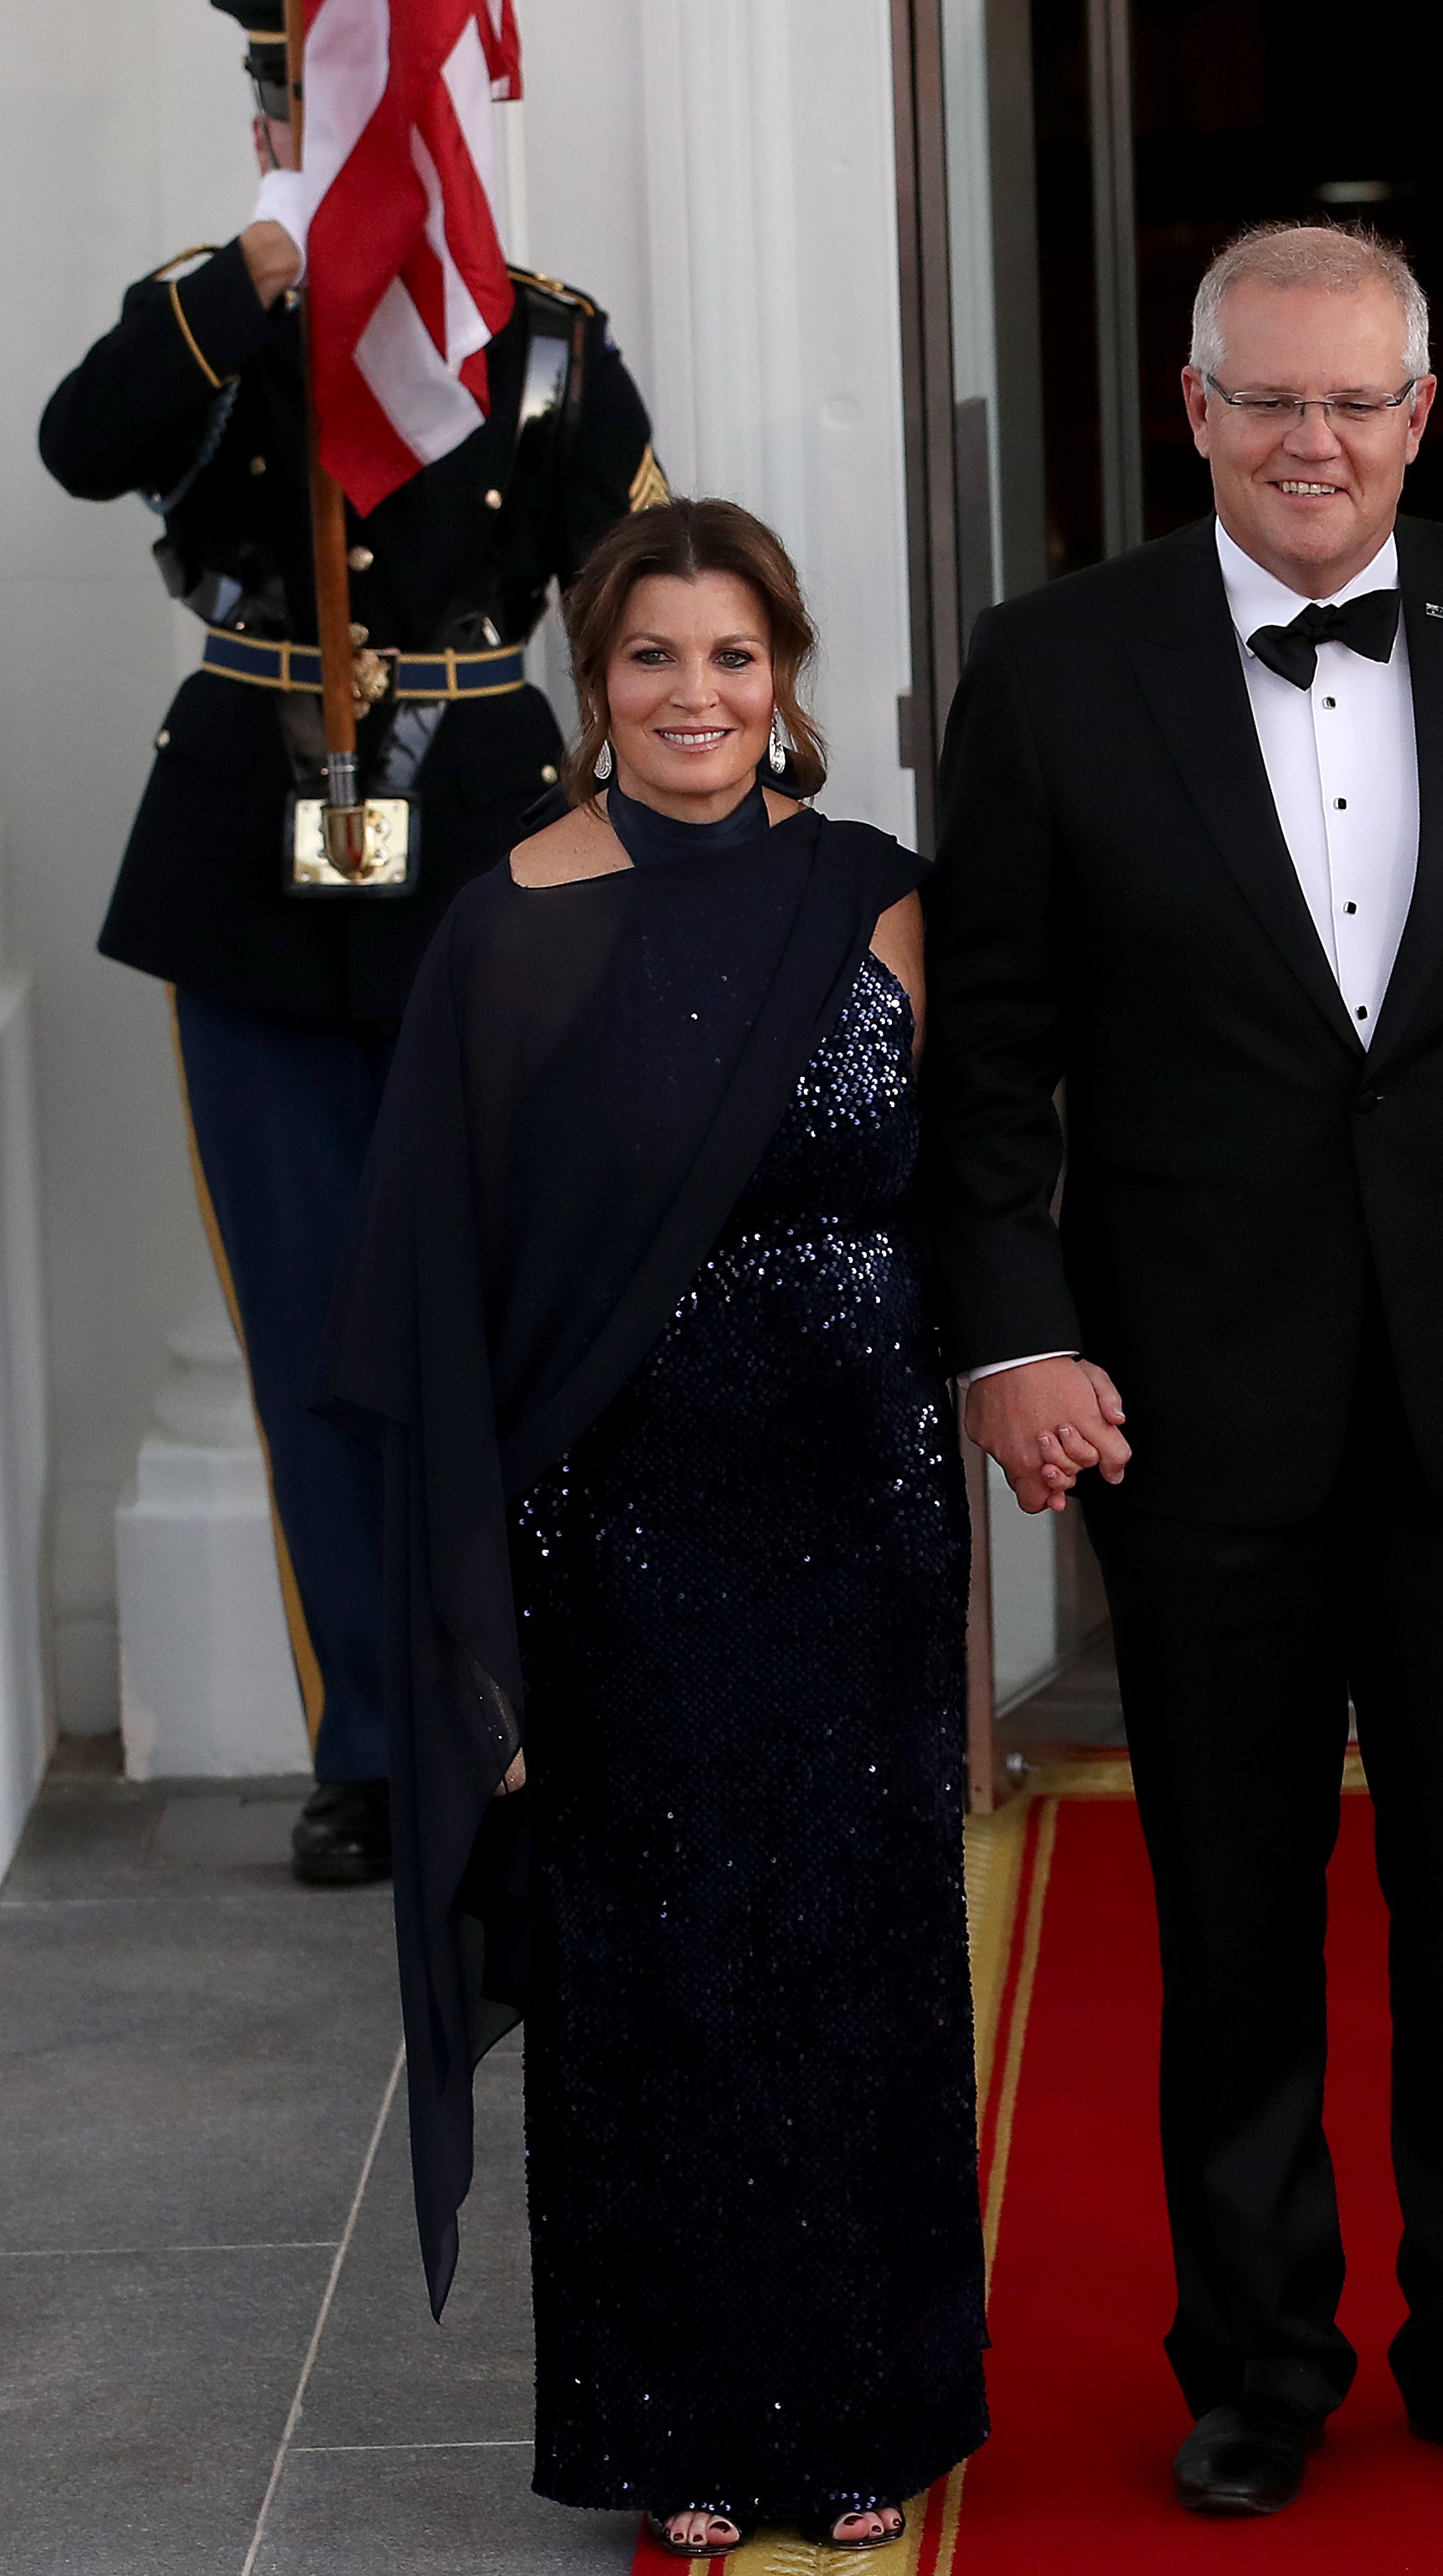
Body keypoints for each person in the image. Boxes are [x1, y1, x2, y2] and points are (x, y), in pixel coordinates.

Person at [920, 221, 1443, 2520]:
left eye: (1354, 402)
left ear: (1420, 415)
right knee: (1229, 1908)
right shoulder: (1054, 666)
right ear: (1194, 407)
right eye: (1267, 400)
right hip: (1182, 1391)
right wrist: (1014, 1330)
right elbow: (992, 1054)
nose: (1312, 442)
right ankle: (1254, 2359)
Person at [322, 501, 985, 2560]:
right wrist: (464, 1633)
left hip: (863, 1512)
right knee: (665, 1973)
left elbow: (962, 1192)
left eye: (731, 658)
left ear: (782, 675)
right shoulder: (509, 919)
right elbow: (434, 1293)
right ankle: (683, 2417)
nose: (693, 699)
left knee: (861, 1955)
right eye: (649, 662)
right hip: (622, 1532)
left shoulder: (873, 898)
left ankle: (862, 2397)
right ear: (588, 684)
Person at [39, 0, 659, 1885]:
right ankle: (379, 1742)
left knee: (512, 1316)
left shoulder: (541, 337)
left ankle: (529, 1715)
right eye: (294, 105)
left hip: (485, 850)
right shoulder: (215, 313)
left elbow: (637, 591)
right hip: (255, 862)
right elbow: (81, 446)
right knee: (316, 1330)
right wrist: (260, 271)